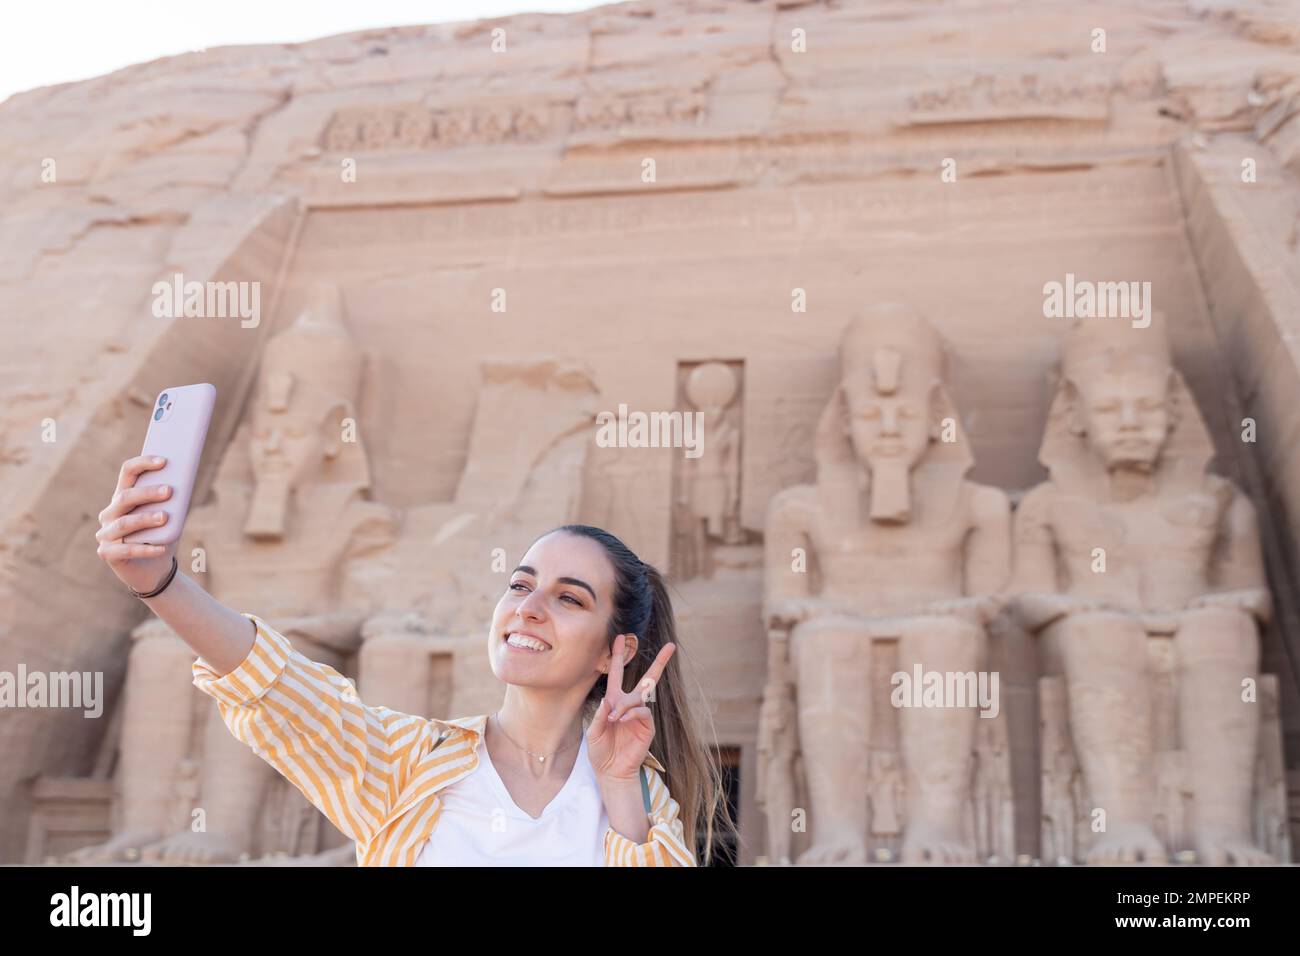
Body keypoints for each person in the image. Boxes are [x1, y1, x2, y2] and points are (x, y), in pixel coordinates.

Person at [96, 454, 737, 866]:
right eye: (520, 584)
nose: (529, 607)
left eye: (569, 598)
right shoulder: (410, 762)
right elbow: (277, 686)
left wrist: (621, 784)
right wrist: (159, 581)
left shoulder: (638, 793)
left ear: (614, 651)